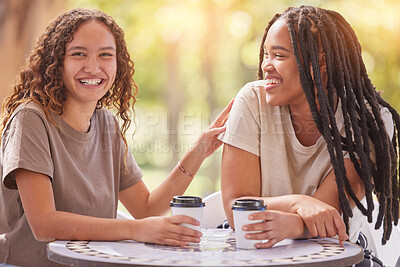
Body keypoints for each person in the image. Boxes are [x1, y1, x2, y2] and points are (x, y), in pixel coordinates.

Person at [0, 8, 233, 266]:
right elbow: (44, 224)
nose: (93, 67)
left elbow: (146, 209)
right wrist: (138, 229)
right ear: (56, 62)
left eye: (105, 55)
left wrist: (199, 151)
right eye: (79, 54)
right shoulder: (31, 119)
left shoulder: (106, 123)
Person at [219, 5, 399, 266]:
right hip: (254, 249)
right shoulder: (251, 101)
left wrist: (292, 226)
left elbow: (329, 213)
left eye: (279, 55)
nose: (266, 65)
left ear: (321, 63)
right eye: (265, 54)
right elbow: (238, 210)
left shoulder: (369, 120)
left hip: (335, 253)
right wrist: (297, 203)